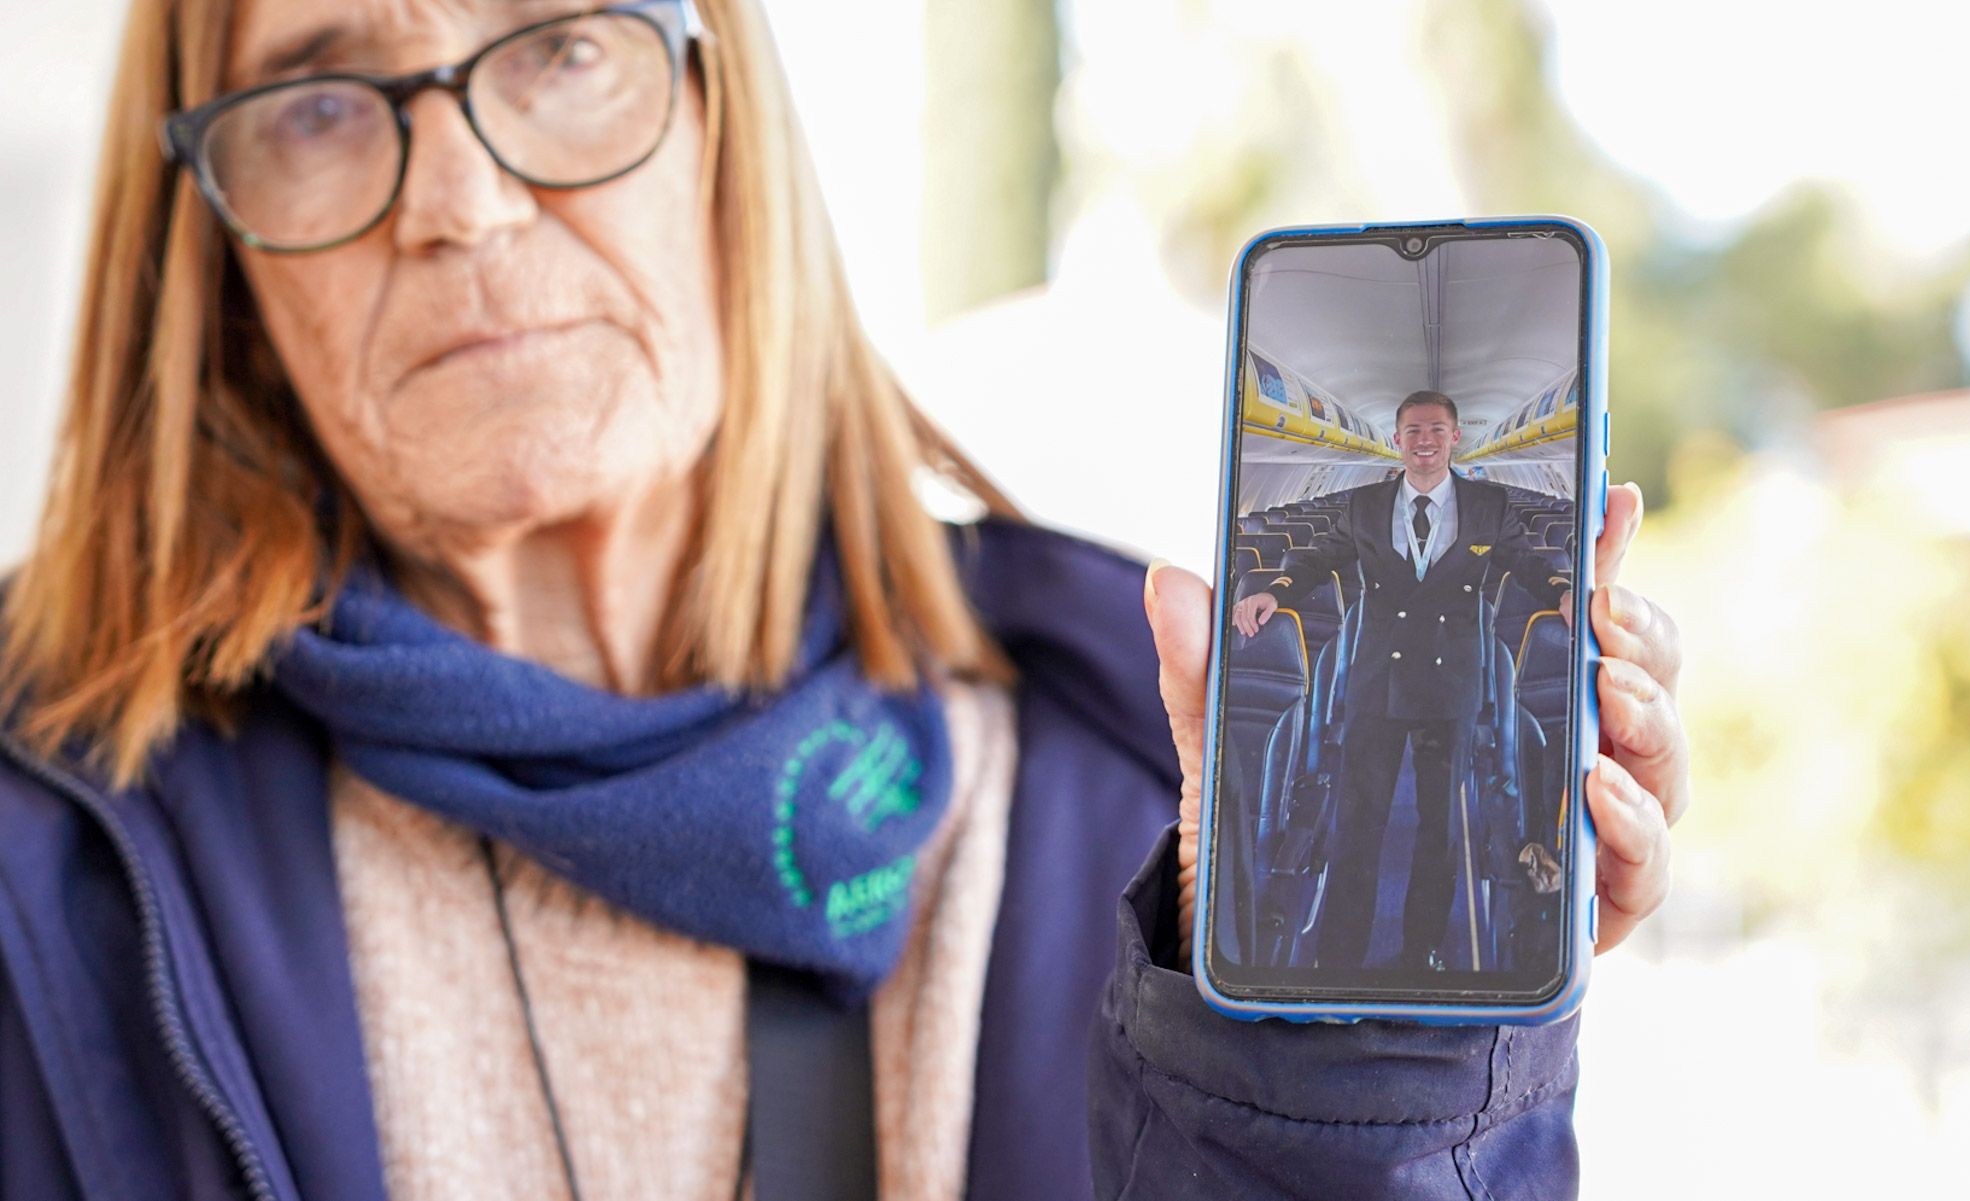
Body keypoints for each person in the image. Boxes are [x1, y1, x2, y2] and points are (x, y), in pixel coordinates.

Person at [0, 1, 1690, 1197]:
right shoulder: (51, 861)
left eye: (564, 44)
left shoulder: (1151, 801)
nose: (458, 200)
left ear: (725, 119)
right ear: (213, 253)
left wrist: (1359, 1069)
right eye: (311, 96)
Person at [1232, 389, 1588, 974]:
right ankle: (1340, 951)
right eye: (1415, 431)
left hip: (1452, 688)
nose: (1426, 442)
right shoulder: (1365, 505)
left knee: (1440, 828)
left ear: (1455, 438)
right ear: (1397, 440)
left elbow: (1527, 562)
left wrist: (1563, 593)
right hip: (1378, 680)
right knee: (1359, 819)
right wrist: (1277, 591)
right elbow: (1319, 558)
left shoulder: (1487, 506)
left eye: (1437, 431)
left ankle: (1423, 950)